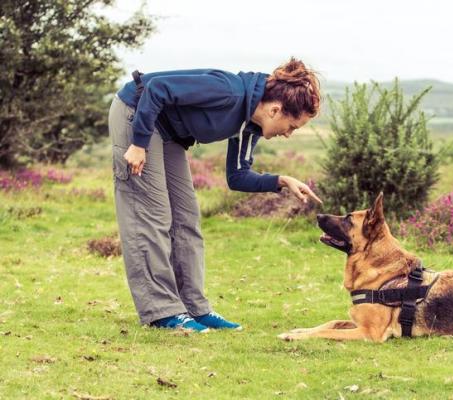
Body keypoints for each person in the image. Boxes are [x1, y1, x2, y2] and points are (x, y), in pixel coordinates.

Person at [108, 57, 322, 332]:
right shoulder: (228, 90)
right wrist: (138, 144)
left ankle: (194, 307)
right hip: (138, 114)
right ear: (275, 110)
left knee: (186, 218)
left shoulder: (249, 126)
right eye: (292, 126)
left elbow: (237, 176)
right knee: (152, 214)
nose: (289, 134)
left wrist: (281, 180)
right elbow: (158, 88)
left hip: (169, 132)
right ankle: (161, 311)